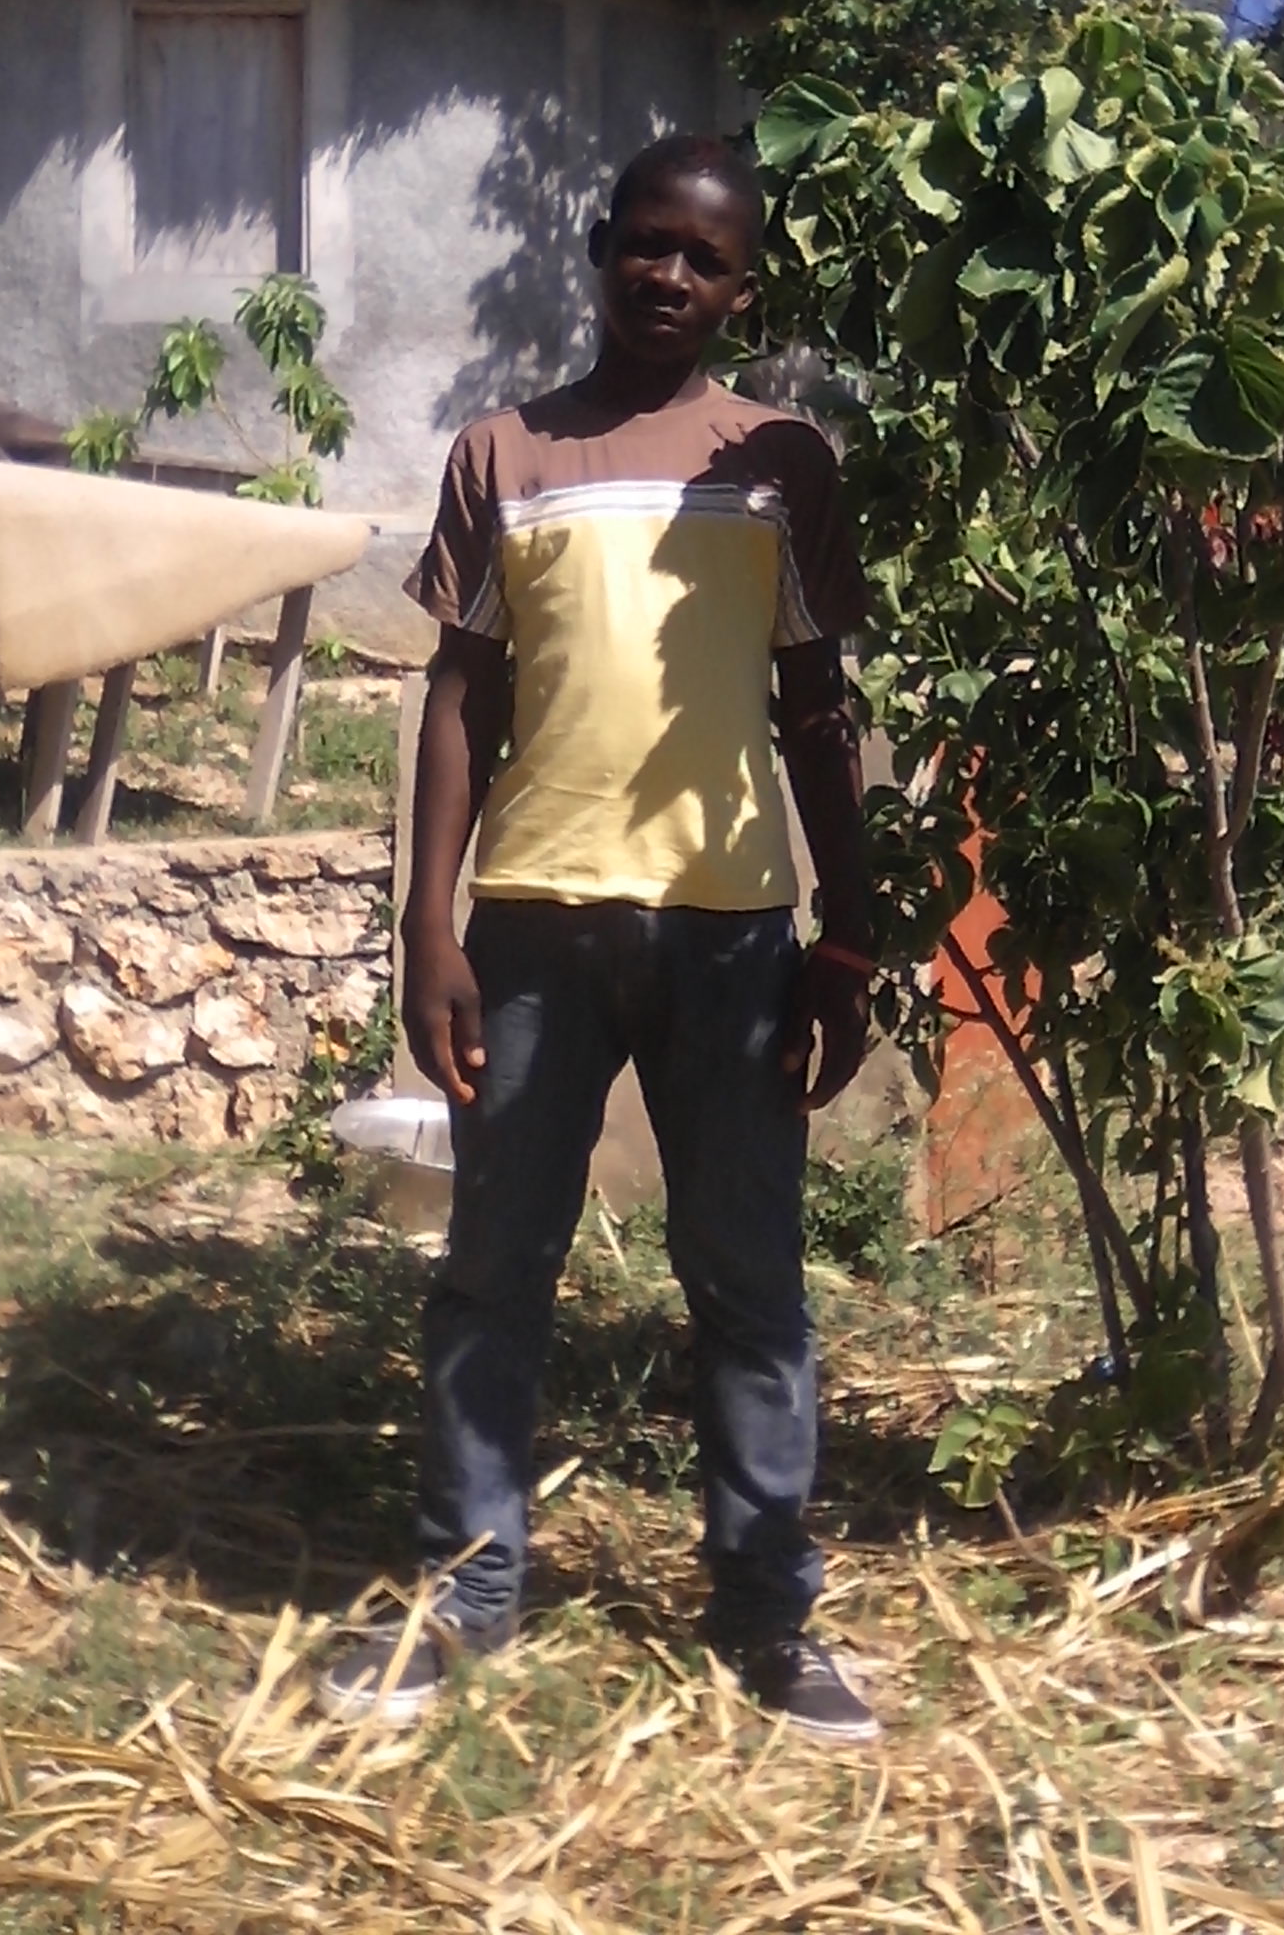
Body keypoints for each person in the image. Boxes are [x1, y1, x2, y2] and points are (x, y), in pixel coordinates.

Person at [316, 134, 880, 1744]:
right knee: (494, 1272)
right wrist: (430, 926)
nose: (668, 275)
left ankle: (766, 1613)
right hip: (535, 931)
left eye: (705, 259)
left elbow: (817, 706)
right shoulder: (505, 454)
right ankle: (462, 1597)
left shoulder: (781, 463)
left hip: (732, 932)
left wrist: (851, 937)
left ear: (743, 289)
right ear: (600, 245)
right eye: (646, 243)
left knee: (748, 1281)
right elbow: (461, 693)